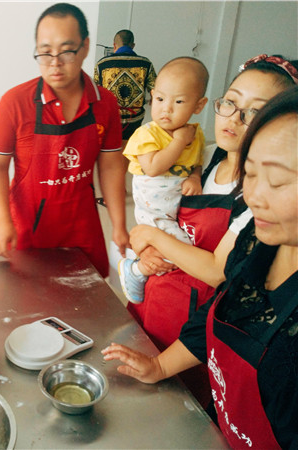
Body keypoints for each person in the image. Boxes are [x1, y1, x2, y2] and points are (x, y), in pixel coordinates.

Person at [103, 85, 298, 449]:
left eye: (277, 181)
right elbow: (218, 314)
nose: (253, 198)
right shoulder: (257, 247)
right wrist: (159, 367)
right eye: (250, 175)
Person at [0, 2, 129, 278]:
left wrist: (119, 224)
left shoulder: (105, 103)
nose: (55, 63)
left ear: (85, 47)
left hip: (82, 225)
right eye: (45, 53)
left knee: (88, 302)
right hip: (29, 227)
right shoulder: (14, 104)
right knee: (28, 301)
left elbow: (111, 166)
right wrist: (4, 223)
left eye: (66, 51)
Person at [118, 57, 209, 303]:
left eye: (178, 101)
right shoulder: (147, 133)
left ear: (199, 105)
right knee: (182, 249)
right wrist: (179, 141)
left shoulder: (196, 133)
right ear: (151, 96)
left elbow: (198, 160)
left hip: (175, 202)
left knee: (169, 247)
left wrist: (195, 176)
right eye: (159, 99)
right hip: (154, 204)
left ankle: (136, 258)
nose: (166, 109)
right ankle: (135, 270)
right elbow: (153, 167)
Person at [94, 29, 157, 144]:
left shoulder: (102, 64)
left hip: (110, 118)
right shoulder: (146, 63)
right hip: (134, 119)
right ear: (133, 45)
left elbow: (95, 93)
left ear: (114, 45)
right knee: (130, 150)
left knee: (111, 149)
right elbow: (155, 90)